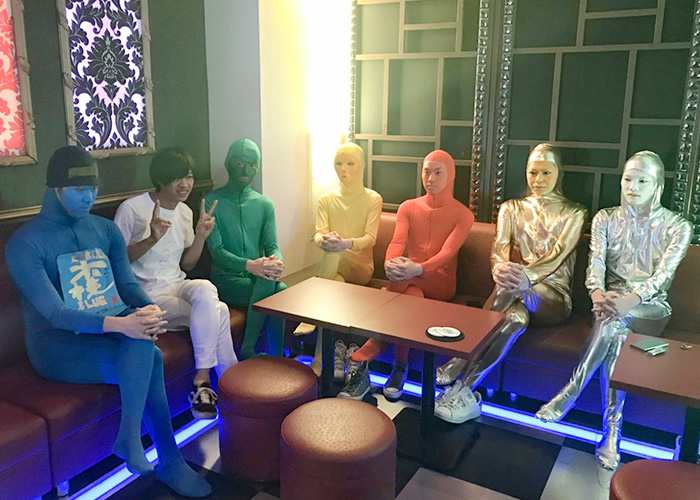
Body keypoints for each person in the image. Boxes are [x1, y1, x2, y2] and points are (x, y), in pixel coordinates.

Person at [5, 146, 211, 497]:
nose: (89, 197)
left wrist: (149, 310)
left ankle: (134, 441)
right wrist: (123, 325)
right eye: (79, 189)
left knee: (144, 344)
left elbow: (127, 286)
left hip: (106, 329)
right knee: (148, 353)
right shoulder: (25, 243)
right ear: (56, 188)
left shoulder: (105, 231)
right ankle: (161, 456)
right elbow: (55, 313)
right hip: (56, 345)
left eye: (93, 188)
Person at [535, 151, 692, 469]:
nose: (633, 187)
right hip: (609, 305)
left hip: (651, 308)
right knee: (616, 332)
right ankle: (612, 433)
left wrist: (627, 302)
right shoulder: (605, 218)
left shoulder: (678, 226)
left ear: (657, 185)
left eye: (642, 181)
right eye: (628, 179)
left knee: (615, 320)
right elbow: (595, 264)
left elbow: (662, 277)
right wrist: (597, 295)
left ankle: (571, 391)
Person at [434, 143, 587, 425]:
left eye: (546, 172)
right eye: (533, 172)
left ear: (559, 173)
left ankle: (461, 356)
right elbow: (499, 249)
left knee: (511, 286)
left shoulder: (574, 212)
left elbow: (558, 255)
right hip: (514, 292)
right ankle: (464, 390)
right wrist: (501, 270)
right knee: (515, 320)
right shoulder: (511, 208)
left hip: (553, 298)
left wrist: (526, 277)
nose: (538, 179)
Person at [340, 149, 474, 401]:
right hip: (408, 279)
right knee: (412, 296)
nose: (430, 178)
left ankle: (367, 350)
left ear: (451, 175)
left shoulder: (463, 215)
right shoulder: (408, 207)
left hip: (441, 281)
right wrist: (390, 263)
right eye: (426, 172)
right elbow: (397, 242)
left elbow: (447, 253)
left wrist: (417, 269)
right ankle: (400, 367)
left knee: (406, 282)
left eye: (438, 173)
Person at [114, 147, 237, 420]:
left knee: (206, 288)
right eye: (177, 178)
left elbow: (188, 265)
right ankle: (230, 385)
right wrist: (152, 238)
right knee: (219, 311)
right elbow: (117, 261)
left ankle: (203, 382)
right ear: (160, 179)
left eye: (189, 177)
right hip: (146, 295)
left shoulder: (184, 211)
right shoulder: (132, 209)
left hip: (176, 284)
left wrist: (201, 235)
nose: (185, 184)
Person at [294, 142, 383, 377]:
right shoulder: (326, 199)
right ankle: (319, 360)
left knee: (333, 256)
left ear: (361, 166)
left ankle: (310, 316)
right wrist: (325, 240)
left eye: (350, 163)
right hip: (336, 270)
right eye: (339, 163)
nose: (343, 169)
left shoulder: (373, 198)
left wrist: (345, 243)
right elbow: (318, 233)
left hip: (361, 267)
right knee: (331, 293)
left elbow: (371, 238)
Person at [204, 138, 286, 360]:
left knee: (274, 281)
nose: (246, 171)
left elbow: (272, 247)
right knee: (277, 288)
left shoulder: (264, 204)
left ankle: (270, 355)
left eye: (252, 165)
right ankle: (262, 352)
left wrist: (277, 261)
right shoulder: (212, 201)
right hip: (225, 280)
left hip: (254, 278)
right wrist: (250, 265)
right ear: (228, 164)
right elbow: (216, 251)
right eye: (239, 163)